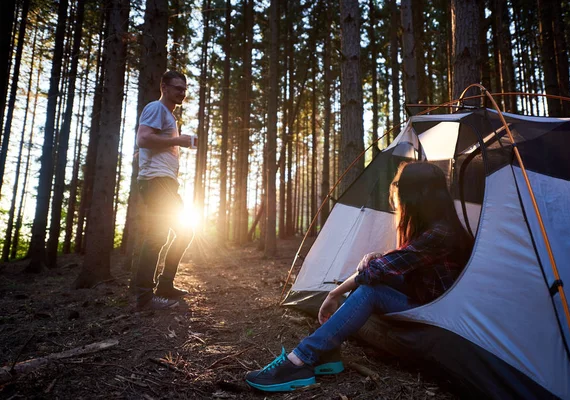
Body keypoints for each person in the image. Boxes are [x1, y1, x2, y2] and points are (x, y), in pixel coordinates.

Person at [245, 161, 474, 392]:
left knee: (369, 288)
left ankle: (300, 360)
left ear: (417, 196)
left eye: (401, 190)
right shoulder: (437, 227)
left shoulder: (440, 233)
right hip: (426, 299)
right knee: (371, 277)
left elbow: (377, 271)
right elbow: (403, 261)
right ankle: (328, 354)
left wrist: (334, 293)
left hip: (436, 314)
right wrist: (379, 257)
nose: (398, 197)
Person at [134, 70, 195, 310]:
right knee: (158, 237)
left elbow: (144, 146)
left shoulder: (167, 116)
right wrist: (178, 141)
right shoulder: (156, 108)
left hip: (162, 181)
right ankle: (145, 298)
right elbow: (143, 138)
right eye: (178, 88)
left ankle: (165, 285)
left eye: (184, 89)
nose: (182, 93)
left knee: (183, 232)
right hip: (157, 181)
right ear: (164, 87)